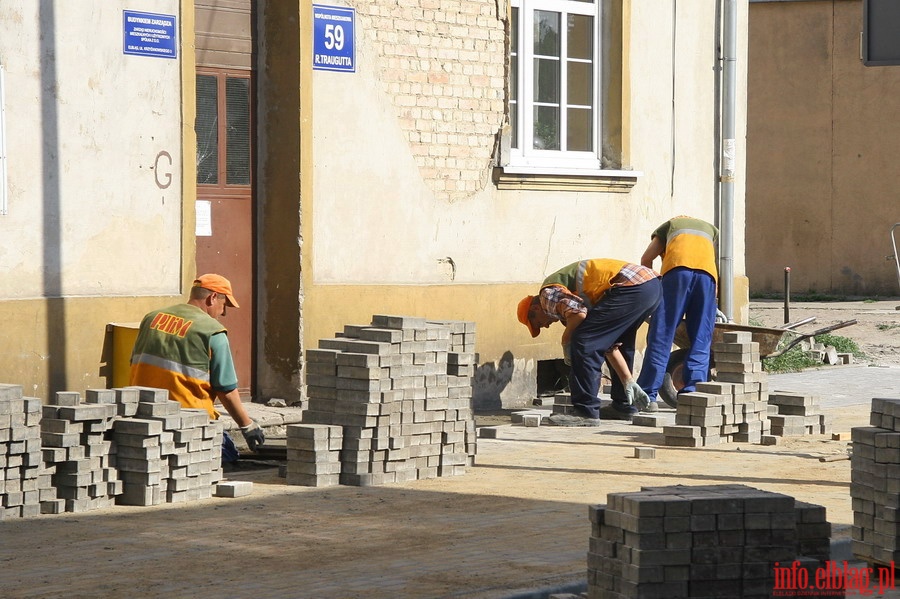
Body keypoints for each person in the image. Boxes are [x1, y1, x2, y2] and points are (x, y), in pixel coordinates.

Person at [129, 274, 265, 461]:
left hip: (145, 415)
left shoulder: (152, 319)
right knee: (228, 459)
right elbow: (226, 389)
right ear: (212, 298)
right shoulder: (212, 331)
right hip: (189, 422)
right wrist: (247, 426)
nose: (223, 313)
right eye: (224, 305)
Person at [517, 259, 662, 426]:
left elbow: (580, 317)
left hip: (631, 287)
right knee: (618, 342)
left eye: (538, 324)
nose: (545, 326)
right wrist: (628, 381)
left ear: (535, 310)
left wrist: (566, 341)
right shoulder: (569, 310)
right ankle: (623, 406)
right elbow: (610, 346)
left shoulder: (547, 295)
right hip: (650, 287)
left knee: (584, 341)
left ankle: (585, 412)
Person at [637, 216, 719, 411]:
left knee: (662, 335)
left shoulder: (668, 226)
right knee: (701, 337)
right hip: (708, 278)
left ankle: (648, 396)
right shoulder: (710, 230)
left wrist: (652, 289)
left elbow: (646, 259)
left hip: (676, 273)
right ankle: (693, 393)